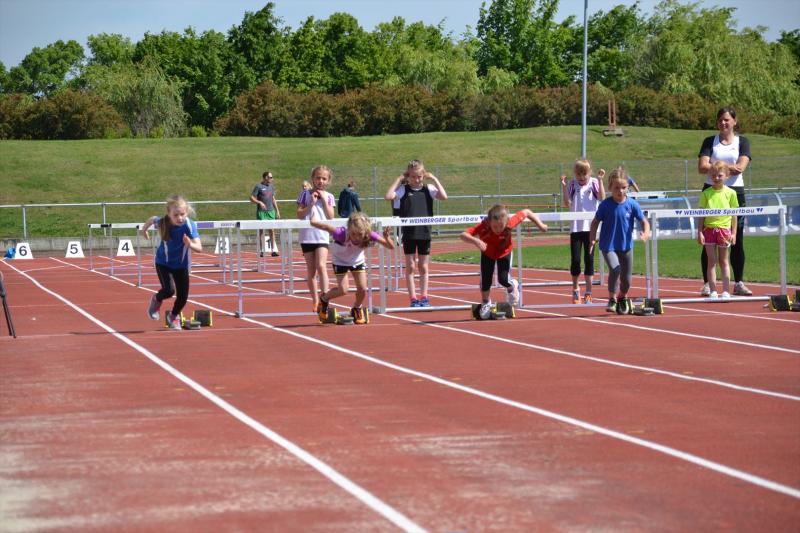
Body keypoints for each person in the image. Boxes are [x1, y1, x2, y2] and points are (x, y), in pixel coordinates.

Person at [698, 107, 751, 296]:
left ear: (734, 121)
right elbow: (702, 167)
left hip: (734, 192)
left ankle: (738, 282)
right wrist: (726, 169)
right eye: (720, 119)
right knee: (708, 238)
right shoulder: (709, 141)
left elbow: (740, 167)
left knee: (736, 238)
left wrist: (716, 167)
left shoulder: (742, 142)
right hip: (711, 192)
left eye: (727, 119)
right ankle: (707, 284)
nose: (723, 123)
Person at [460, 204, 548, 317]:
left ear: (506, 222)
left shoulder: (510, 223)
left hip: (504, 252)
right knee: (485, 281)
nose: (498, 230)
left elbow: (527, 212)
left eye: (501, 226)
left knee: (503, 279)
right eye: (495, 227)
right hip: (488, 253)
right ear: (489, 222)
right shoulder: (483, 226)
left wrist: (540, 225)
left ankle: (512, 287)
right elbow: (463, 235)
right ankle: (486, 303)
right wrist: (476, 241)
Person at [384, 160, 448, 307]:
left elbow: (444, 196)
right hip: (409, 233)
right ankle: (413, 298)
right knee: (411, 266)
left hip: (424, 232)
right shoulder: (403, 189)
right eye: (413, 176)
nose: (416, 179)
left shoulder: (428, 188)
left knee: (423, 267)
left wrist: (434, 178)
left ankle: (424, 296)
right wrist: (399, 179)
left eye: (419, 176)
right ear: (409, 176)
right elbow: (388, 196)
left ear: (423, 175)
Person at [311, 212, 394, 324]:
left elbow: (390, 246)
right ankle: (324, 299)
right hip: (340, 261)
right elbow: (326, 227)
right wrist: (313, 222)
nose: (356, 237)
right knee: (343, 290)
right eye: (353, 234)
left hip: (357, 260)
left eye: (360, 234)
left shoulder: (370, 235)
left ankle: (356, 308)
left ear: (365, 232)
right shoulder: (341, 234)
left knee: (362, 288)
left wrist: (387, 238)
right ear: (349, 229)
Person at [589, 167, 650, 314]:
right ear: (610, 188)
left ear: (628, 187)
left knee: (627, 281)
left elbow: (644, 221)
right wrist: (592, 239)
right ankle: (612, 298)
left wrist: (646, 233)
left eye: (623, 188)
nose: (620, 191)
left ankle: (622, 297)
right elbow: (595, 222)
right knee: (615, 269)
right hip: (608, 245)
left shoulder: (632, 205)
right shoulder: (605, 205)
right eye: (616, 188)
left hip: (626, 246)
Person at [141, 195, 202, 330]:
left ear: (187, 212)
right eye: (176, 215)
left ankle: (173, 316)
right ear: (169, 214)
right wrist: (144, 230)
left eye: (182, 214)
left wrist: (190, 244)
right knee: (169, 291)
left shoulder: (189, 225)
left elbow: (199, 248)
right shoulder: (163, 223)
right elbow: (152, 219)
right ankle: (156, 299)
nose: (180, 218)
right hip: (163, 263)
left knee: (183, 297)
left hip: (181, 265)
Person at [561, 160, 606, 304]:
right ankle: (575, 289)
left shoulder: (594, 183)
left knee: (589, 259)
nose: (581, 177)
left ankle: (588, 292)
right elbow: (567, 203)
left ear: (589, 173)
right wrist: (564, 187)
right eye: (578, 174)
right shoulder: (573, 184)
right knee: (575, 260)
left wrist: (600, 180)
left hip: (590, 228)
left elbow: (602, 198)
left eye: (584, 174)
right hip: (576, 228)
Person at [697, 161, 738, 299]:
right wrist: (700, 232)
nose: (716, 178)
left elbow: (734, 215)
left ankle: (726, 291)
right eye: (713, 175)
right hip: (709, 230)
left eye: (720, 175)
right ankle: (713, 290)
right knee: (711, 261)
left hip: (724, 230)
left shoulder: (731, 193)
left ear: (727, 176)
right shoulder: (706, 193)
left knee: (724, 261)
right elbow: (701, 215)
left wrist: (734, 233)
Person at [297, 165, 336, 312]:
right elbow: (299, 215)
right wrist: (310, 204)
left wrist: (324, 201)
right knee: (311, 270)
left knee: (321, 265)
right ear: (313, 179)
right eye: (318, 178)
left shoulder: (329, 196)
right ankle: (315, 300)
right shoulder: (305, 194)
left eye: (324, 178)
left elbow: (331, 216)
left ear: (328, 181)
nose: (320, 181)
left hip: (322, 236)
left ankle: (324, 298)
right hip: (307, 236)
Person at [250, 170, 281, 257]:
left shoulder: (271, 186)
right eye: (271, 177)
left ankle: (273, 250)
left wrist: (277, 211)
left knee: (272, 230)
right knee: (261, 231)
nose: (272, 179)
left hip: (271, 211)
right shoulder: (258, 186)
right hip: (262, 212)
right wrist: (259, 202)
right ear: (266, 177)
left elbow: (273, 199)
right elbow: (251, 198)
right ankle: (261, 250)